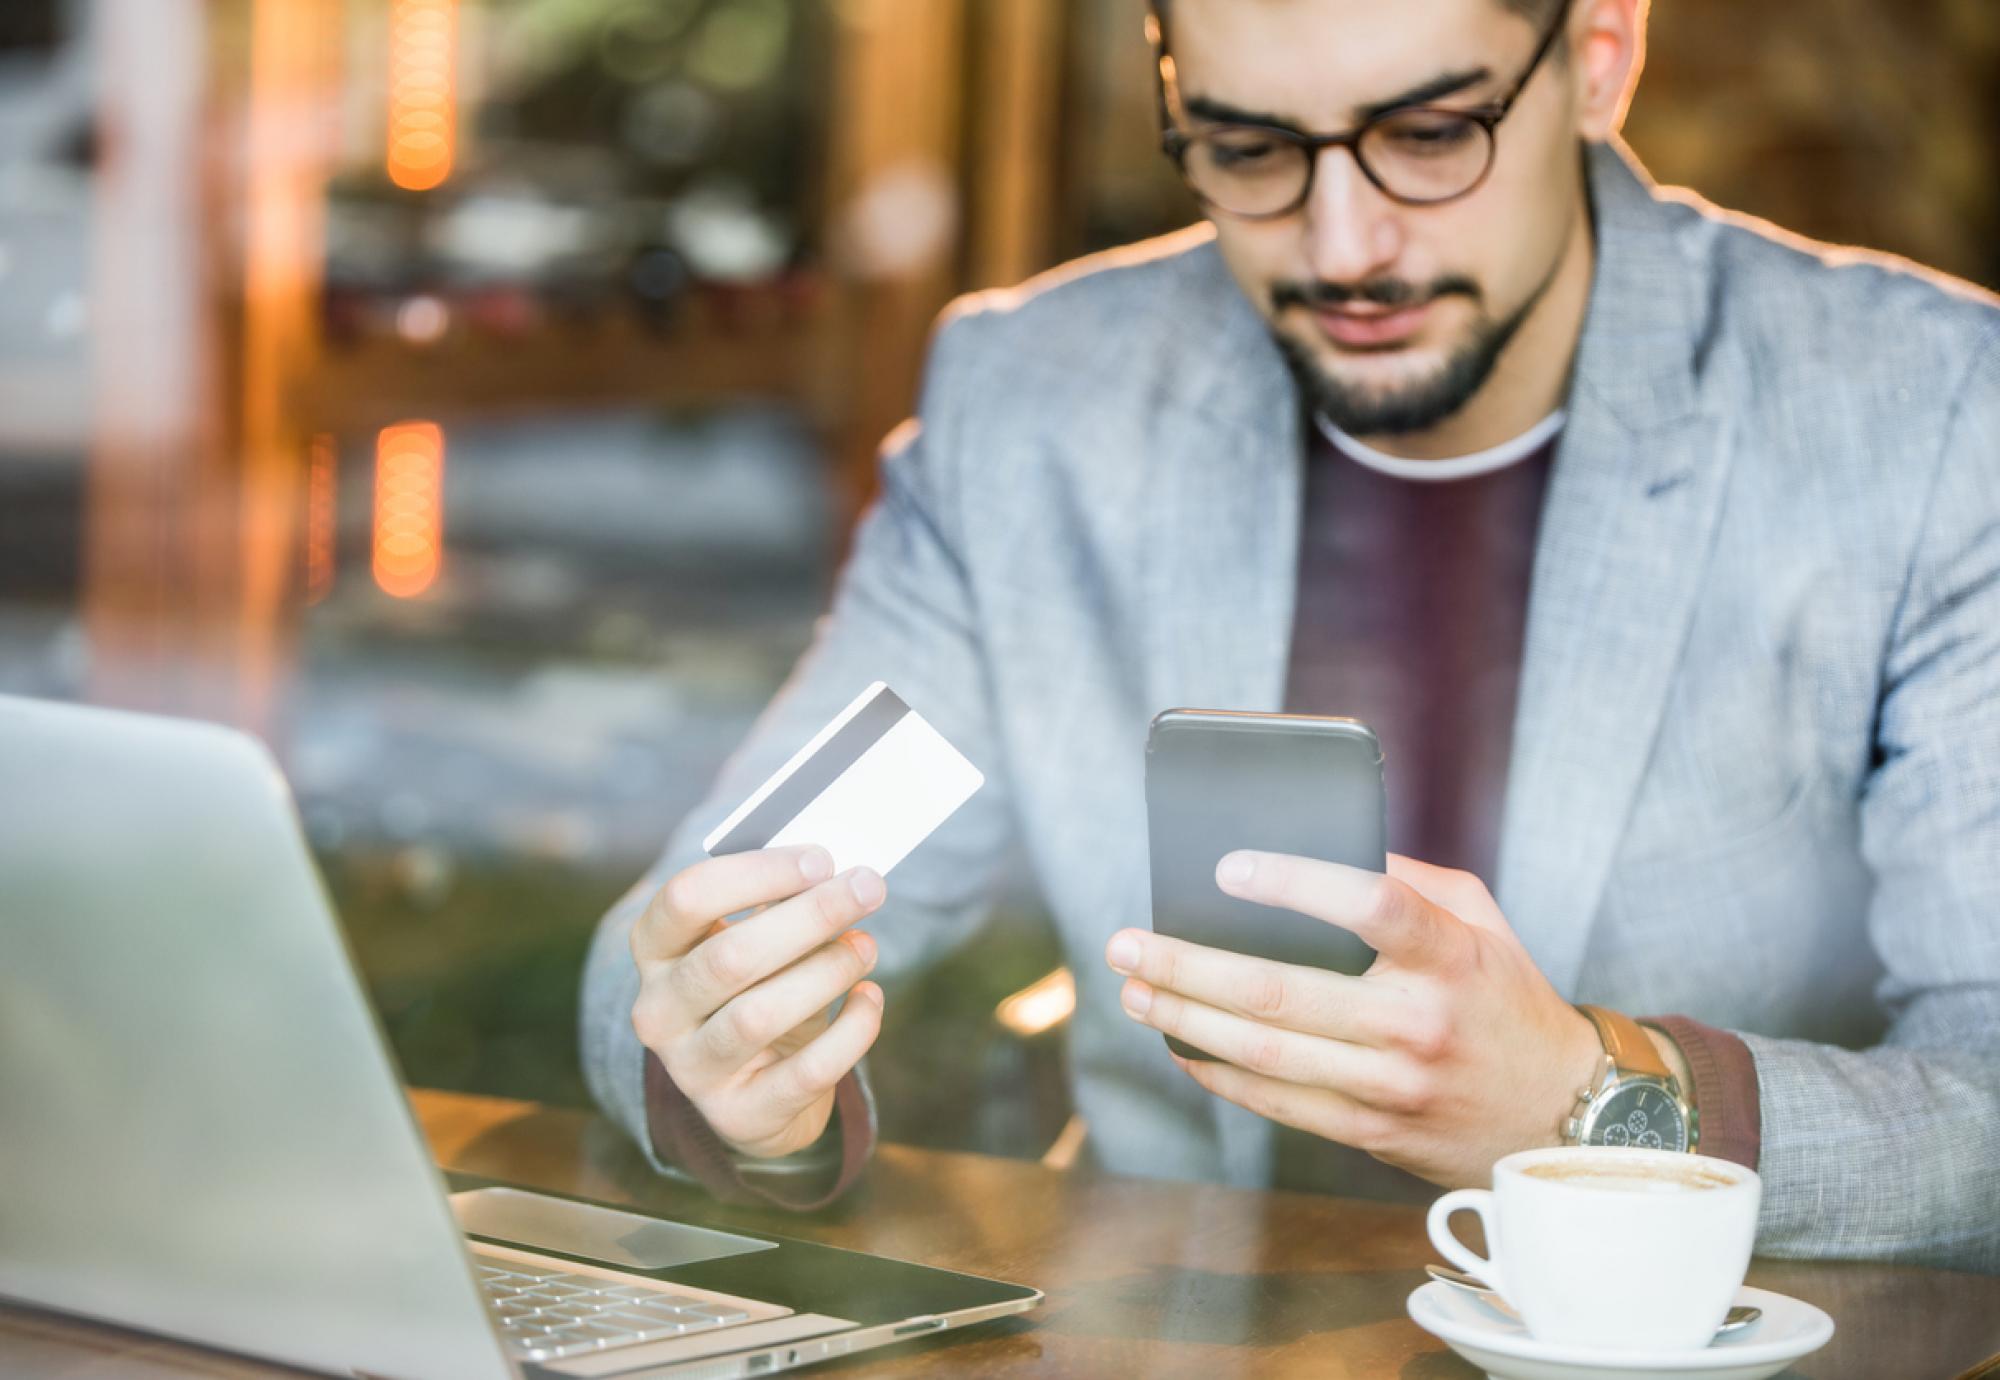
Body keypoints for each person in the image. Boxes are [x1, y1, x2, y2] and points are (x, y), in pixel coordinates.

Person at [581, 0, 2000, 1271]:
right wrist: (729, 1066)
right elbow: (671, 951)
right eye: (1248, 150)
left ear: (1601, 60)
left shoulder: (1923, 417)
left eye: (1434, 132)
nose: (1343, 246)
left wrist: (1588, 1100)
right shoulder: (1037, 419)